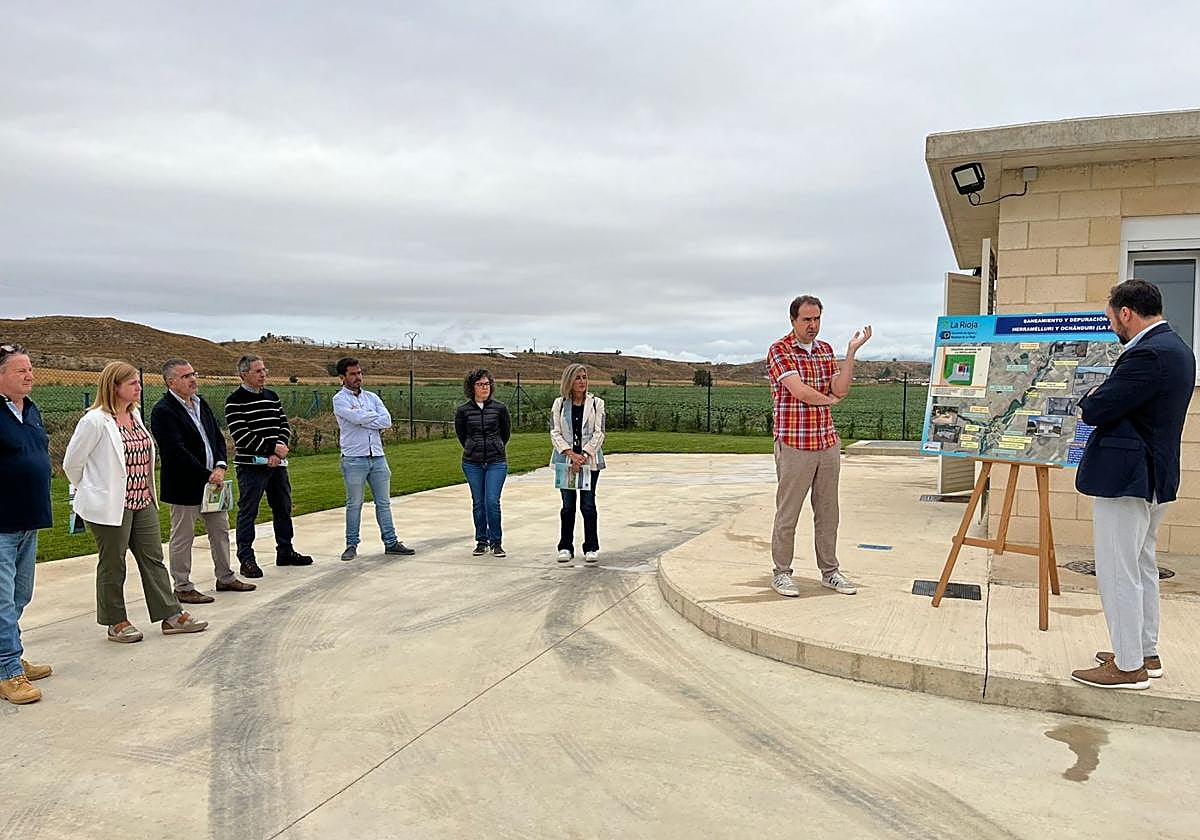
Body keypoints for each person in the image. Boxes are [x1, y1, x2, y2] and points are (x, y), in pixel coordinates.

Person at [1071, 279, 1196, 690]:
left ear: (1126, 313)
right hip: (1153, 476)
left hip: (1127, 480)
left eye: (1112, 318)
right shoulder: (1178, 349)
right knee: (1141, 566)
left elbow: (1098, 407)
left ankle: (1127, 667)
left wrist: (1092, 396)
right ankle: (1144, 652)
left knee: (1118, 570)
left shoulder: (1147, 354)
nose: (1112, 327)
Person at [63, 361, 209, 643]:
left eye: (138, 383)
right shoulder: (94, 421)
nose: (139, 388)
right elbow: (72, 464)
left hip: (143, 500)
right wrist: (92, 489)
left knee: (153, 559)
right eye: (132, 383)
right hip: (110, 506)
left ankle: (171, 614)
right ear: (114, 386)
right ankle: (115, 621)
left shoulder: (135, 415)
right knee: (113, 563)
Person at [767, 294, 872, 598]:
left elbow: (841, 387)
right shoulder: (780, 350)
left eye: (816, 319)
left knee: (828, 512)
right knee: (788, 513)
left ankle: (830, 572)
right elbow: (800, 391)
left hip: (826, 442)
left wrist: (851, 353)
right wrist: (830, 401)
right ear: (793, 320)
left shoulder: (825, 350)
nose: (812, 325)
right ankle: (782, 573)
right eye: (806, 320)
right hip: (795, 442)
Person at [150, 358, 256, 603]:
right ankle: (183, 586)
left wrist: (220, 465)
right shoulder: (163, 411)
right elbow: (175, 451)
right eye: (186, 376)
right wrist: (206, 474)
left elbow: (217, 438)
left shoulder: (200, 403)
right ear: (170, 382)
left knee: (220, 531)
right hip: (185, 485)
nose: (193, 379)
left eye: (193, 374)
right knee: (183, 537)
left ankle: (226, 577)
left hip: (213, 483)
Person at [225, 354, 312, 576]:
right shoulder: (235, 401)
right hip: (251, 466)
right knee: (248, 511)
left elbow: (284, 424)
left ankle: (285, 551)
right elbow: (242, 435)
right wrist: (271, 449)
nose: (263, 374)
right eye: (258, 371)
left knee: (283, 507)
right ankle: (246, 558)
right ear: (244, 374)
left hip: (277, 465)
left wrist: (280, 448)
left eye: (264, 370)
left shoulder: (272, 396)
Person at [0, 344, 52, 704]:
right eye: (21, 370)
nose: (30, 375)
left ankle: (9, 656)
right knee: (2, 601)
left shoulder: (30, 410)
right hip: (2, 522)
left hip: (29, 518)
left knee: (20, 595)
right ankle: (8, 672)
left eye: (30, 369)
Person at [331, 356, 414, 561]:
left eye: (359, 373)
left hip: (377, 456)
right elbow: (356, 418)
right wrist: (367, 417)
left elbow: (386, 420)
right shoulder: (340, 399)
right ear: (342, 377)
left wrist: (363, 417)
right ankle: (351, 544)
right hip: (354, 458)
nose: (358, 377)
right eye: (353, 374)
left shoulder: (372, 397)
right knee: (354, 503)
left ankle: (391, 542)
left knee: (383, 503)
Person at [550, 364, 606, 564]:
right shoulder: (559, 404)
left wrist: (583, 455)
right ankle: (565, 546)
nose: (582, 381)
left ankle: (591, 547)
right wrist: (570, 454)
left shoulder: (596, 403)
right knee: (568, 506)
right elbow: (555, 432)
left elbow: (599, 433)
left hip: (589, 461)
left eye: (584, 377)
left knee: (588, 505)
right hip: (566, 462)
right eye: (577, 378)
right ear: (569, 381)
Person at [454, 369, 512, 557]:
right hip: (473, 463)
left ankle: (496, 542)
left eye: (487, 384)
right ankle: (481, 540)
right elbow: (462, 435)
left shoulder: (500, 409)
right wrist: (473, 447)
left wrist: (496, 446)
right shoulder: (463, 411)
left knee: (491, 502)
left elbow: (505, 433)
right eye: (480, 384)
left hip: (496, 461)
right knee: (478, 503)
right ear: (472, 387)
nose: (484, 388)